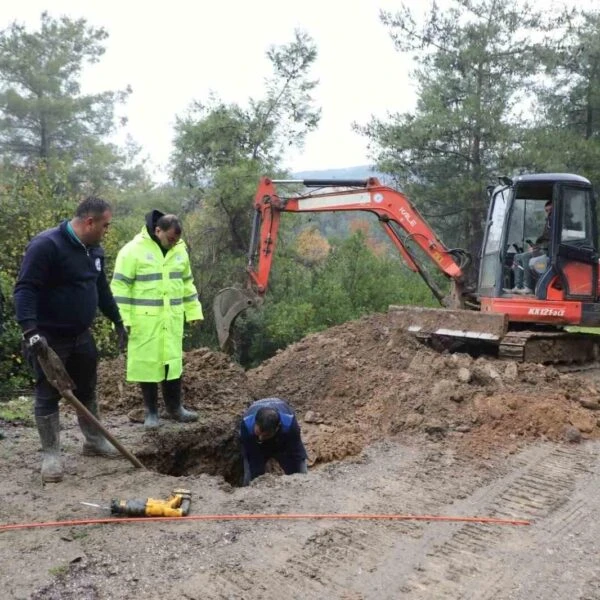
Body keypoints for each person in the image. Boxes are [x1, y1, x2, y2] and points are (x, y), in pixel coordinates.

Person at [13, 197, 128, 483]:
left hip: (81, 336)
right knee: (48, 394)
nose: (106, 231)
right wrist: (31, 331)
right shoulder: (46, 245)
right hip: (48, 338)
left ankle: (93, 441)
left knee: (87, 388)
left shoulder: (95, 251)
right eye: (105, 225)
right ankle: (51, 455)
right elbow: (25, 289)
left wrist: (117, 320)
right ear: (89, 222)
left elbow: (101, 290)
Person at [110, 211, 203, 429]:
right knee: (148, 365)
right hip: (144, 321)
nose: (173, 244)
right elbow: (119, 286)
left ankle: (175, 408)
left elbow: (187, 283)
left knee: (173, 363)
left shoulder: (179, 251)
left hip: (171, 320)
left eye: (177, 240)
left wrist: (193, 311)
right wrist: (122, 319)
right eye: (170, 239)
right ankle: (151, 412)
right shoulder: (132, 251)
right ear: (157, 230)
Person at [239, 398, 308, 486]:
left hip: (282, 442)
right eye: (258, 433)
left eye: (266, 435)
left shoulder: (289, 425)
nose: (260, 438)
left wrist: (304, 479)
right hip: (255, 444)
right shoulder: (246, 426)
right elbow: (252, 457)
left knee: (294, 471)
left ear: (277, 428)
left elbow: (297, 452)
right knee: (253, 475)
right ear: (255, 423)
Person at [507, 200, 552, 295]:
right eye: (547, 211)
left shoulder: (555, 223)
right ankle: (518, 286)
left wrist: (539, 248)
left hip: (550, 252)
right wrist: (536, 246)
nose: (548, 213)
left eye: (550, 210)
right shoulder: (548, 223)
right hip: (542, 249)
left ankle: (528, 287)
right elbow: (543, 238)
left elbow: (551, 240)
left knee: (526, 257)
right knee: (517, 257)